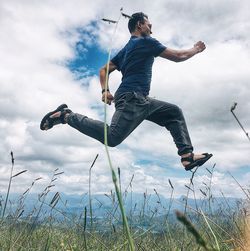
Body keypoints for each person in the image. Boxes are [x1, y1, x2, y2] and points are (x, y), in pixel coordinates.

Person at [40, 12, 212, 171]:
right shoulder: (146, 42)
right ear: (139, 25)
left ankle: (187, 156)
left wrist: (105, 91)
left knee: (173, 113)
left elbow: (103, 70)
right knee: (112, 137)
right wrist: (196, 49)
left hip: (140, 99)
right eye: (149, 25)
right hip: (132, 98)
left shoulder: (126, 50)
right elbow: (178, 56)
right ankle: (65, 116)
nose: (151, 29)